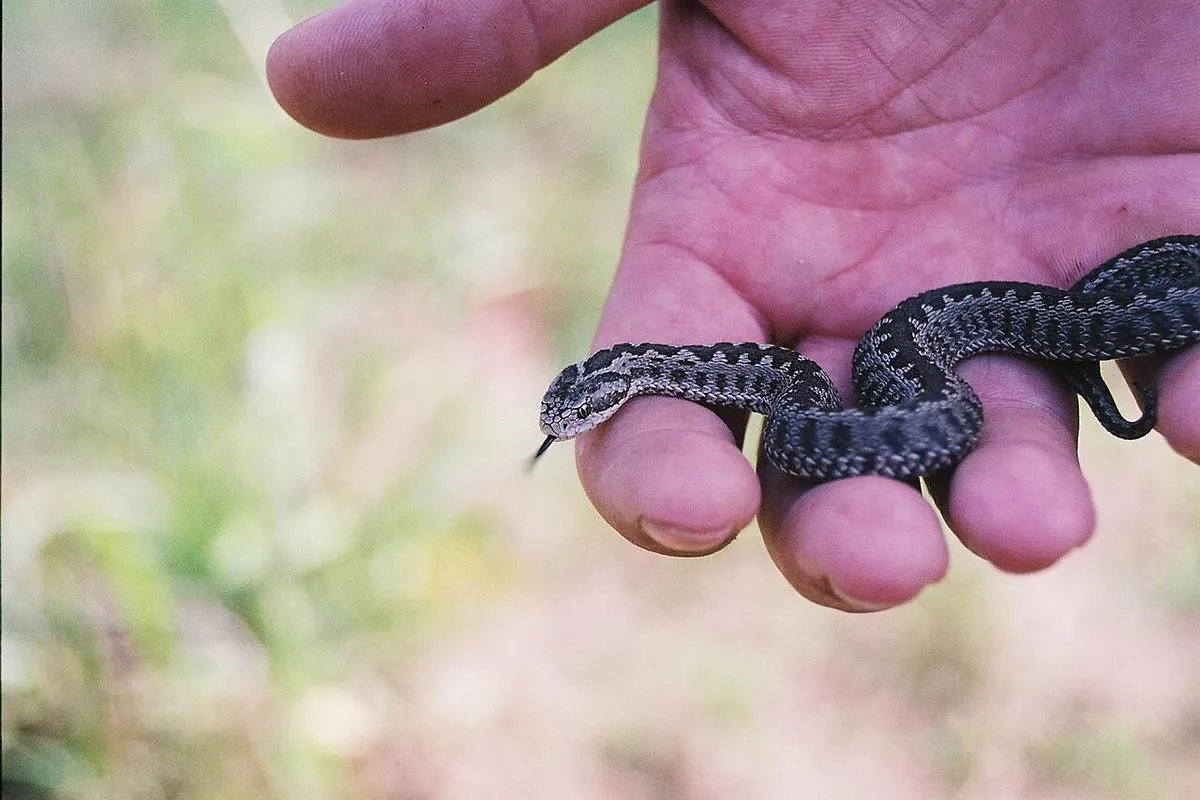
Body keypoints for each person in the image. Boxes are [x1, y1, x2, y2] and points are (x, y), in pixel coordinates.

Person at [266, 0, 1200, 612]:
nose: (572, 422)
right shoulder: (762, 383)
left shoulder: (749, 380)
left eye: (578, 410)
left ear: (607, 390)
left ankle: (1117, 307)